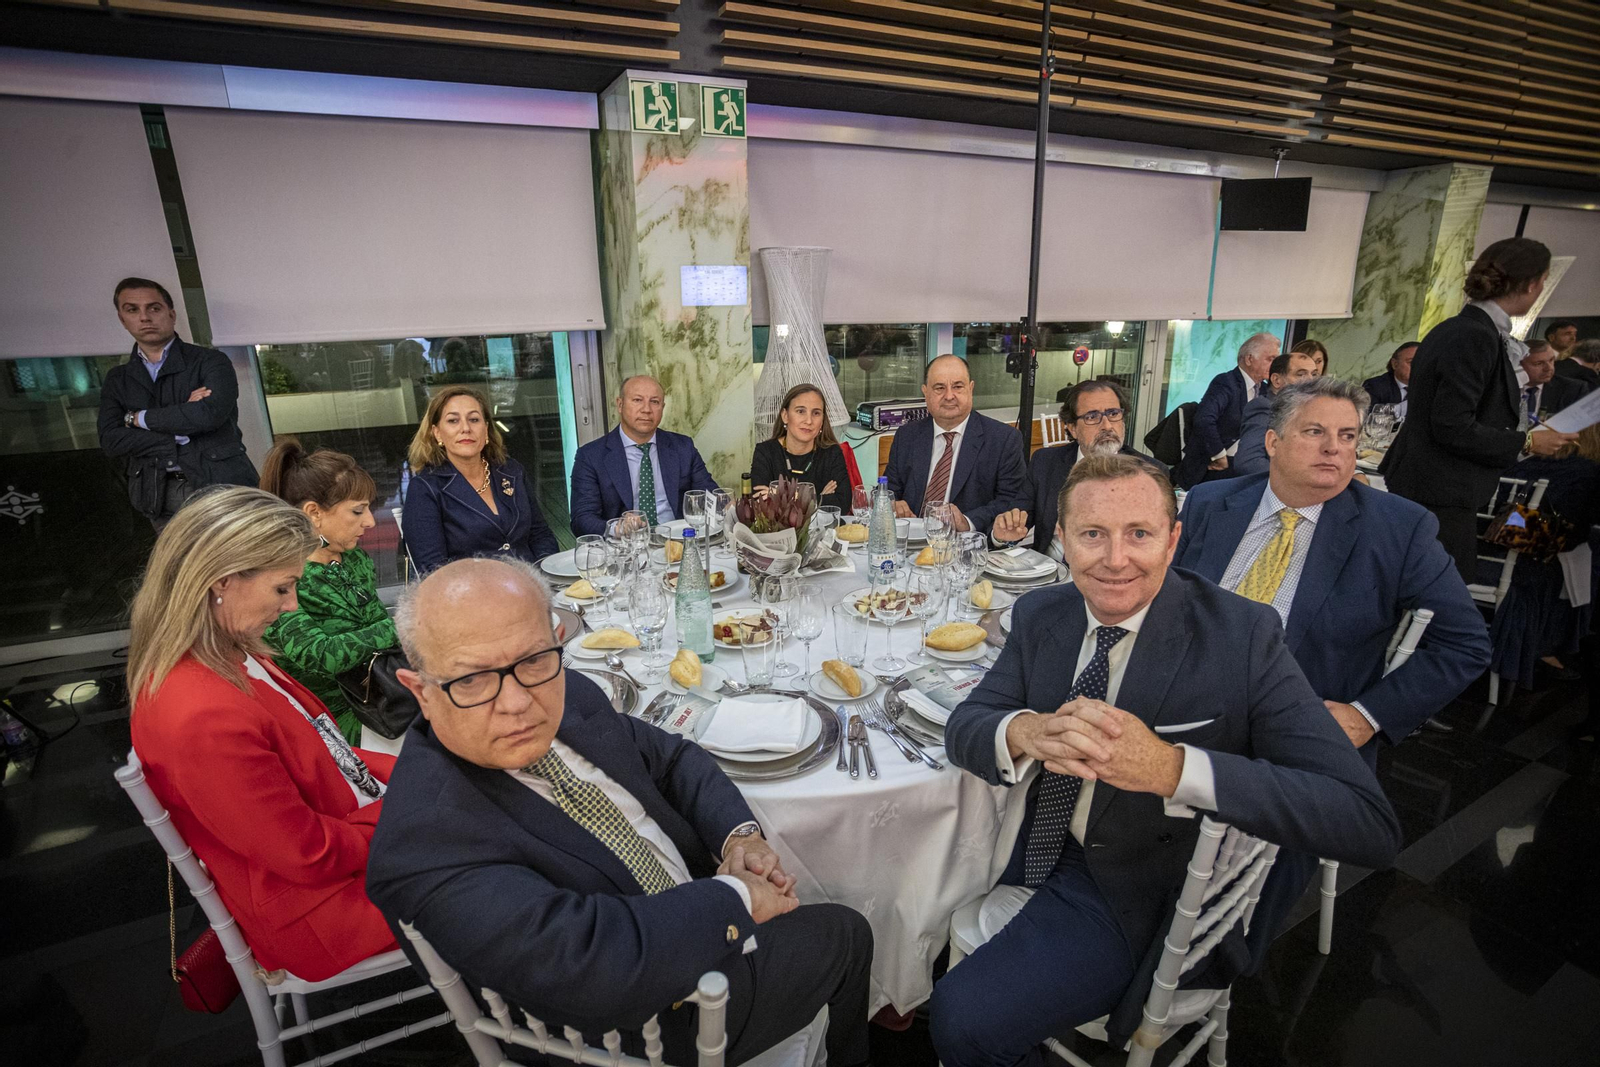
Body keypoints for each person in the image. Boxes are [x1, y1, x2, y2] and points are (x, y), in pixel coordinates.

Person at [928, 455, 1400, 1066]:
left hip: (1136, 891)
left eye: (1140, 534)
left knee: (961, 1017)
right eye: (1093, 534)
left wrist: (1176, 770)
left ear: (1173, 539)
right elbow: (966, 726)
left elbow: (1367, 822)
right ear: (1062, 540)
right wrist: (1028, 730)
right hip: (1025, 845)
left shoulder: (1242, 636)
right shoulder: (1044, 615)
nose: (1116, 559)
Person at [366, 558, 873, 1067]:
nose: (518, 701)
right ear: (421, 692)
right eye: (473, 680)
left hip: (688, 917)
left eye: (534, 660)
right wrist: (737, 897)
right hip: (643, 1026)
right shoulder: (425, 844)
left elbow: (673, 759)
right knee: (848, 932)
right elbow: (593, 968)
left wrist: (739, 838)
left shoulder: (570, 695)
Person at [127, 487, 397, 982]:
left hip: (340, 845)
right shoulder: (200, 714)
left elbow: (328, 755)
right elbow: (307, 854)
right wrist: (411, 813)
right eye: (282, 588)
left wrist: (427, 773)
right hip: (324, 910)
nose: (292, 605)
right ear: (221, 581)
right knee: (520, 857)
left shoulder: (226, 649)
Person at [1176, 377, 1489, 762]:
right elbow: (1167, 600)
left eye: (1347, 436)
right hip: (1182, 711)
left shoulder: (1397, 528)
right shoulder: (1210, 502)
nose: (1333, 449)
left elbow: (1466, 643)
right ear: (1273, 443)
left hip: (1296, 731)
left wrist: (1367, 715)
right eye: (1314, 432)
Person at [1381, 238, 1578, 579]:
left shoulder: (1465, 329)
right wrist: (1528, 443)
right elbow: (1452, 425)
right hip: (1439, 489)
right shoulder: (1474, 336)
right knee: (1437, 604)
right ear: (1531, 285)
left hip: (1434, 485)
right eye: (1544, 281)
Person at [260, 440, 396, 745]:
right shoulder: (280, 578)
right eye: (358, 511)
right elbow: (319, 655)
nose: (371, 521)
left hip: (380, 698)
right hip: (332, 722)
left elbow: (378, 633)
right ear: (313, 512)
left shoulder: (354, 558)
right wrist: (404, 626)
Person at [97, 277, 259, 530]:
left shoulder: (210, 361)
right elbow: (111, 440)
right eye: (132, 310)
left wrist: (136, 419)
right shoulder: (118, 379)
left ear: (171, 314)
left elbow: (208, 415)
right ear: (122, 318)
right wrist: (178, 428)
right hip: (158, 492)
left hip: (220, 484)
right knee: (187, 569)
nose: (144, 317)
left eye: (154, 308)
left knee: (247, 564)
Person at [401, 385, 559, 572]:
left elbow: (540, 534)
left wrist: (546, 577)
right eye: (453, 421)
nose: (466, 428)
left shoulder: (511, 470)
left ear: (486, 429)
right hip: (472, 595)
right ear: (437, 433)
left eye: (474, 419)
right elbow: (433, 570)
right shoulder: (425, 489)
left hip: (531, 585)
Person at [991, 379, 1154, 557]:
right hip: (1048, 573)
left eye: (1113, 414)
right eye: (1092, 417)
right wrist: (1001, 536)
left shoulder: (1149, 474)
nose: (1107, 426)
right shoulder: (1045, 462)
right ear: (1072, 428)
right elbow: (1016, 519)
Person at [883, 354, 1030, 534]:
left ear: (971, 388)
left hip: (965, 546)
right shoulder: (907, 436)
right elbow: (888, 489)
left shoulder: (1003, 440)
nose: (949, 396)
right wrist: (891, 504)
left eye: (958, 387)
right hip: (909, 543)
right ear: (925, 392)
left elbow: (1010, 502)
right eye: (939, 388)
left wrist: (967, 521)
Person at [569, 375, 719, 536]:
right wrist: (617, 528)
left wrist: (729, 506)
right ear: (620, 405)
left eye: (654, 402)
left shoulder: (682, 447)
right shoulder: (591, 456)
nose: (646, 409)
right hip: (625, 547)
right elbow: (581, 518)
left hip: (678, 541)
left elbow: (709, 495)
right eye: (637, 400)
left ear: (662, 406)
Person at [1178, 331, 1280, 488]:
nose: (1274, 365)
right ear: (1249, 359)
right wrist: (1219, 455)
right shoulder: (1226, 382)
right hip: (1215, 464)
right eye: (1270, 359)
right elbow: (1204, 419)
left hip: (1246, 461)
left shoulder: (1265, 390)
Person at [749, 384, 852, 512]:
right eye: (800, 411)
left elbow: (842, 503)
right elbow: (762, 504)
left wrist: (782, 496)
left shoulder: (832, 453)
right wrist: (818, 498)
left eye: (816, 413)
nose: (809, 421)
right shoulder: (765, 452)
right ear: (785, 416)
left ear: (822, 420)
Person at [1231, 348, 1321, 477]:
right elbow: (1249, 462)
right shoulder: (1265, 407)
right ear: (1277, 380)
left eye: (1314, 374)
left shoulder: (1310, 410)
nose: (1310, 381)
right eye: (1301, 375)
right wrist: (1294, 480)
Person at [1520, 339, 1587, 423]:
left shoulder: (1574, 389)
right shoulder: (1502, 387)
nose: (1549, 368)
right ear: (1519, 365)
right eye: (1539, 363)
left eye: (1551, 360)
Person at [1361, 342, 1418, 410]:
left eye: (1422, 363)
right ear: (1395, 364)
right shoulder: (1375, 386)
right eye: (1411, 362)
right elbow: (1369, 416)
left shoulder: (1429, 388)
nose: (1418, 367)